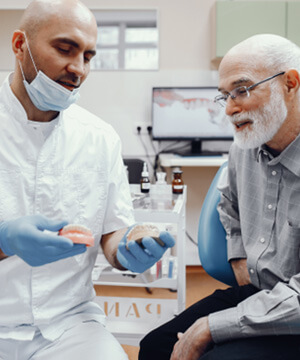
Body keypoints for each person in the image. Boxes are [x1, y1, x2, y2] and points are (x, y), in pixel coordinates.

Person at [0, 1, 175, 359]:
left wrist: (128, 250)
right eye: (65, 49)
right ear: (20, 45)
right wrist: (4, 241)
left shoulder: (99, 138)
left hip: (68, 326)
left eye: (89, 56)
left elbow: (113, 231)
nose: (78, 68)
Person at [138, 33, 300, 360]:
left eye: (241, 90)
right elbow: (229, 207)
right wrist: (239, 256)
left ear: (291, 83)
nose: (228, 109)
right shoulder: (245, 147)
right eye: (224, 96)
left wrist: (213, 326)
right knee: (155, 347)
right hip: (257, 293)